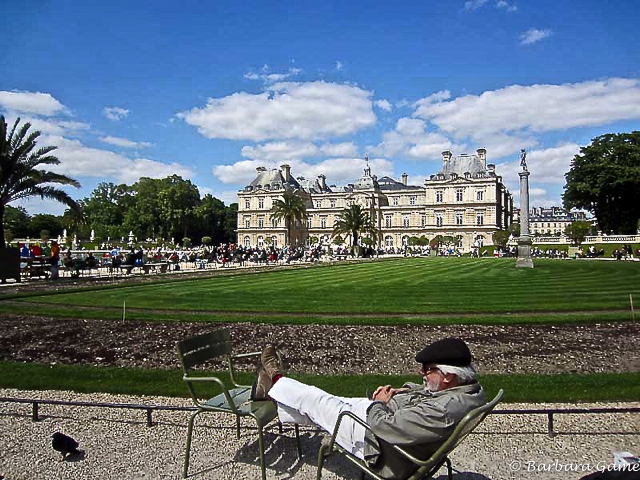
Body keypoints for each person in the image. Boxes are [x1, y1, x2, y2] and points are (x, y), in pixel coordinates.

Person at [252, 338, 485, 479]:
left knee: (315, 400)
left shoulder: (442, 411)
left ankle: (274, 379)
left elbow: (385, 426)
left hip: (378, 444)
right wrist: (397, 392)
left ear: (449, 376)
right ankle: (272, 393)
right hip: (387, 428)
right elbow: (424, 393)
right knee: (321, 404)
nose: (422, 373)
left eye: (428, 369)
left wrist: (379, 404)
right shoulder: (468, 390)